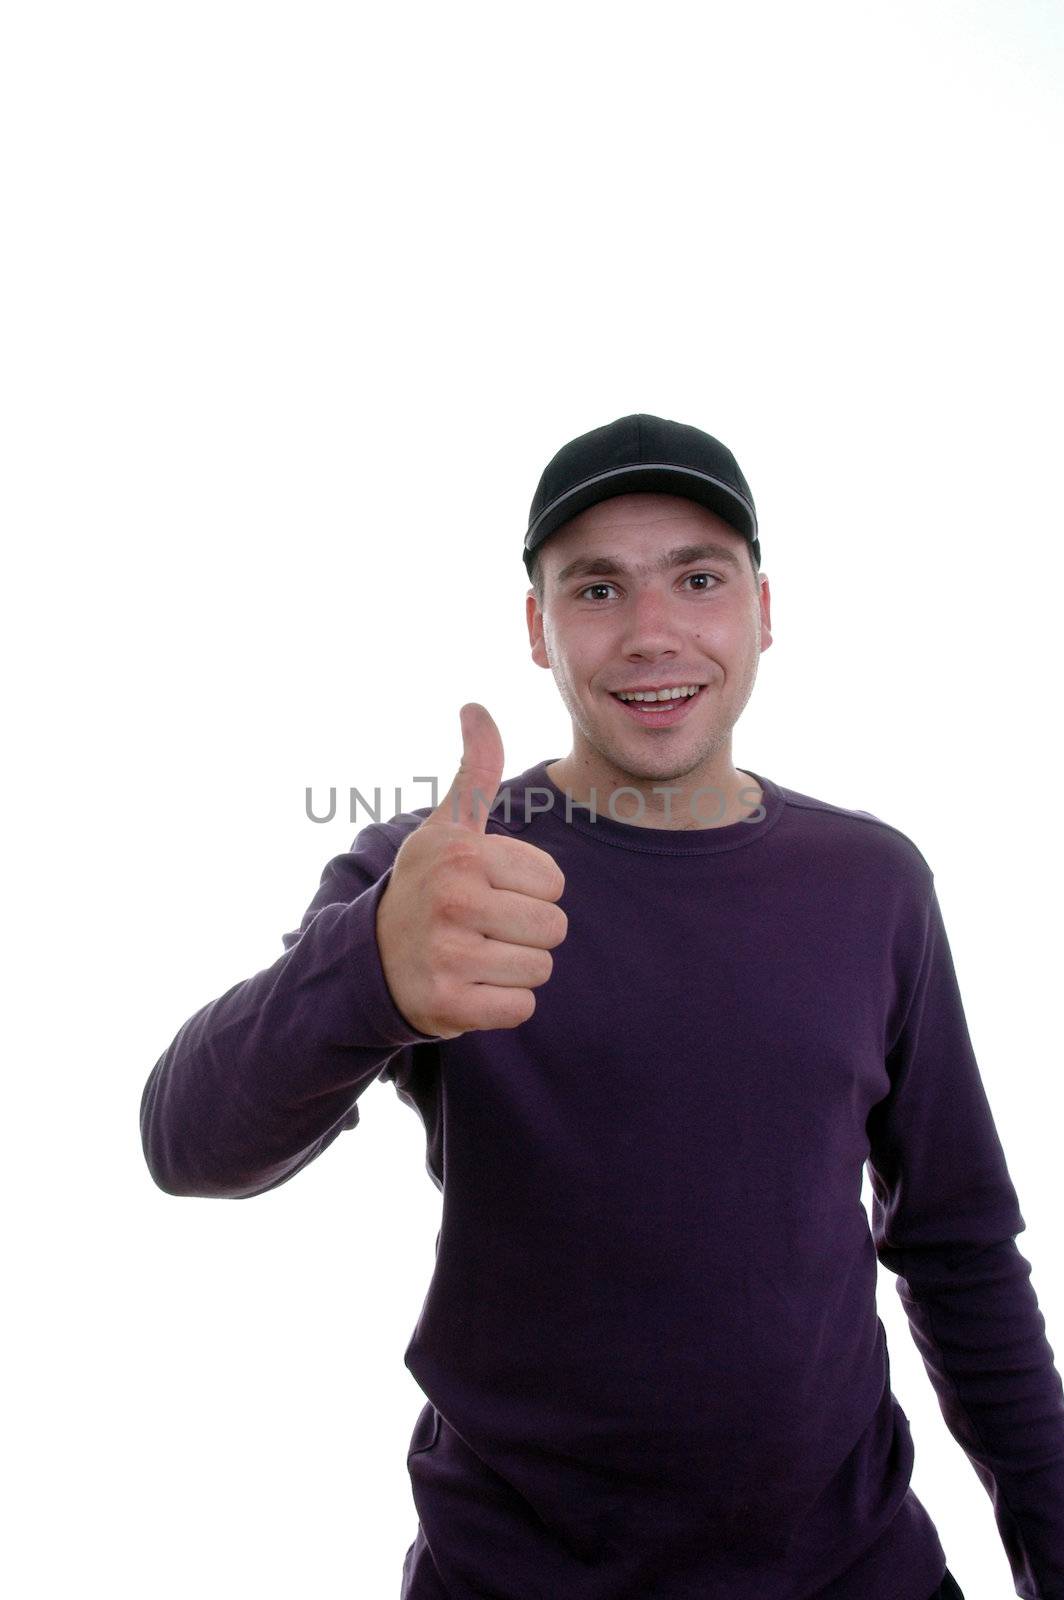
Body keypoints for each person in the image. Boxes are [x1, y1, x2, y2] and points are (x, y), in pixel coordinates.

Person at [140, 414, 1064, 1600]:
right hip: (511, 1576)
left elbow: (957, 1249)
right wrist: (367, 966)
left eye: (696, 578)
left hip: (851, 1572)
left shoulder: (871, 882)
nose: (650, 633)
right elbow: (188, 1141)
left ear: (763, 609)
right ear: (536, 627)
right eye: (595, 588)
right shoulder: (440, 876)